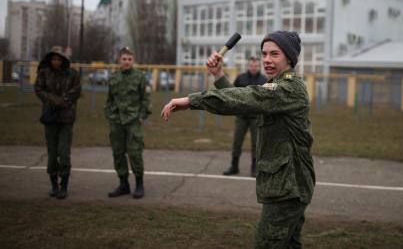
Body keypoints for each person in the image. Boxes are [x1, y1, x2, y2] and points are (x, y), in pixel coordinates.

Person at [161, 31, 315, 248]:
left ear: (289, 58)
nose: (267, 60)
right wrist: (218, 75)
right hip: (290, 186)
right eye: (264, 54)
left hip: (288, 189)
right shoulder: (276, 85)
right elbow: (244, 100)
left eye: (274, 54)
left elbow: (247, 97)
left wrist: (191, 100)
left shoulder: (289, 88)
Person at [35, 46, 81, 200]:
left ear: (63, 60)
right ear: (50, 60)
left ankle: (64, 186)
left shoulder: (72, 74)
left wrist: (63, 101)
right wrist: (53, 100)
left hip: (66, 118)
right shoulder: (44, 73)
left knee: (64, 153)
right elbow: (38, 89)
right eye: (53, 59)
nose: (56, 62)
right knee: (52, 154)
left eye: (59, 59)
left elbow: (76, 90)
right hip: (50, 118)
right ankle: (54, 185)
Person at [105, 47, 152, 199]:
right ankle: (123, 184)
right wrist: (110, 115)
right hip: (116, 121)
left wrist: (142, 116)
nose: (126, 62)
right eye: (124, 59)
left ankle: (139, 185)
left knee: (135, 153)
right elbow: (110, 99)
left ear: (133, 60)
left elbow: (146, 99)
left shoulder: (140, 77)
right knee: (118, 153)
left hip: (133, 121)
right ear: (119, 60)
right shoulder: (113, 77)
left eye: (129, 59)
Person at [223, 56, 267, 177]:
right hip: (241, 116)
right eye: (252, 66)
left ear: (259, 66)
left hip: (256, 117)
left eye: (256, 66)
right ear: (248, 66)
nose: (254, 68)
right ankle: (234, 165)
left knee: (256, 143)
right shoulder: (240, 78)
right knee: (237, 141)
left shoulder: (265, 80)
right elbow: (233, 93)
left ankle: (255, 168)